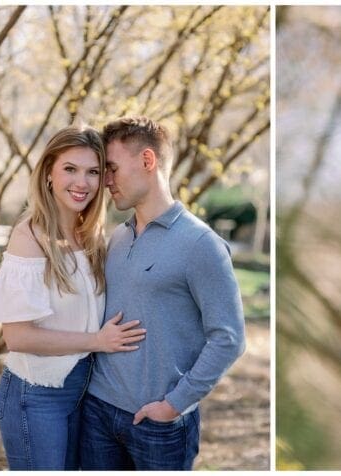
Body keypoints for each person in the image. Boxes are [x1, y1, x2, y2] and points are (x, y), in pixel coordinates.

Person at [79, 116, 245, 470]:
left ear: (148, 161)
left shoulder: (201, 245)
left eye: (111, 168)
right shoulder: (118, 238)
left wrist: (174, 405)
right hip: (97, 413)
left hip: (158, 426)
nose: (105, 181)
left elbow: (228, 338)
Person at [0, 125, 148, 470]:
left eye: (93, 172)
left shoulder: (92, 235)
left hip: (83, 392)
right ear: (48, 174)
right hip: (35, 395)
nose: (81, 183)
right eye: (70, 169)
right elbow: (18, 336)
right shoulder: (30, 236)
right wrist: (97, 341)